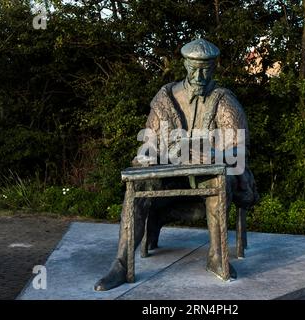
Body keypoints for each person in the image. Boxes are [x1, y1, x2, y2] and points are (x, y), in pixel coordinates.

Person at [94, 39, 258, 291]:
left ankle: (216, 257)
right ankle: (121, 264)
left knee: (222, 181)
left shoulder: (223, 100)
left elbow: (238, 148)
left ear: (214, 67)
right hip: (168, 175)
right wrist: (148, 153)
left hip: (206, 176)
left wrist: (213, 153)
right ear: (184, 64)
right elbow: (149, 142)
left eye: (206, 69)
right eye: (194, 68)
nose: (200, 75)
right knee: (138, 184)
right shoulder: (165, 99)